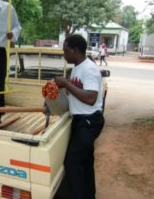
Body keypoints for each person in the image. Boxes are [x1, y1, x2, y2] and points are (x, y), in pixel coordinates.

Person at [54, 34, 105, 199]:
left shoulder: (89, 69)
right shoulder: (77, 67)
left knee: (72, 162)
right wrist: (53, 97)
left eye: (66, 51)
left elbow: (91, 98)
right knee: (85, 162)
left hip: (88, 122)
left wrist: (66, 83)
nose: (64, 54)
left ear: (75, 50)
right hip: (81, 121)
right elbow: (75, 93)